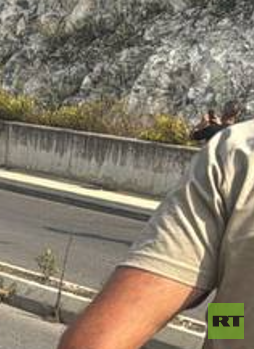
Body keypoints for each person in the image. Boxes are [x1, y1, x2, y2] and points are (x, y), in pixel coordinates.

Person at [57, 111, 253, 349]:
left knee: (229, 302)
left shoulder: (234, 149)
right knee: (229, 304)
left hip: (215, 208)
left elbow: (96, 342)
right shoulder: (231, 143)